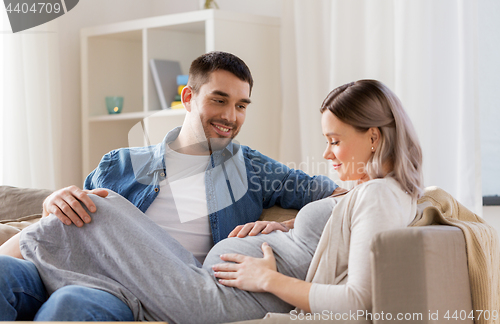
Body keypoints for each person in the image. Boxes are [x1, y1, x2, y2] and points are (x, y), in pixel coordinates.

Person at [0, 79, 423, 323]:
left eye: (334, 141)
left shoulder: (255, 168)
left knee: (104, 205)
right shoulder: (124, 161)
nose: (327, 153)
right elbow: (341, 227)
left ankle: (27, 248)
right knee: (92, 204)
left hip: (209, 291)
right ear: (188, 98)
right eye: (218, 99)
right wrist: (286, 227)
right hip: (178, 278)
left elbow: (358, 299)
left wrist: (267, 278)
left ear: (373, 135)